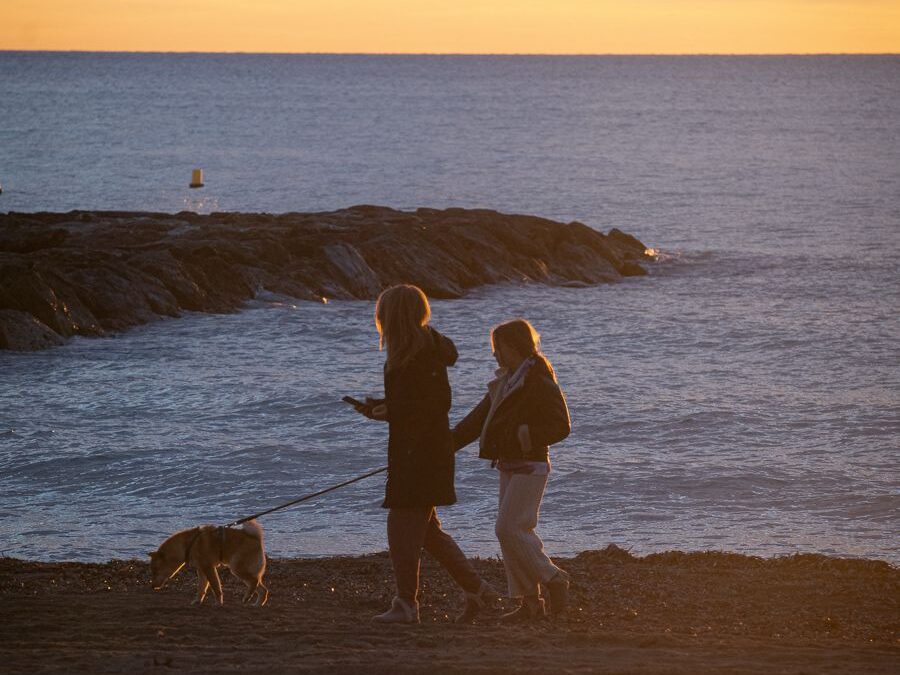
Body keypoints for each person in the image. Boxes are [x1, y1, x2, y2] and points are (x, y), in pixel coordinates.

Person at [354, 284, 498, 624]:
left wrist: (393, 410)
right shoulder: (412, 350)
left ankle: (406, 604)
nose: (380, 321)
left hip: (423, 455)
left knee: (401, 524)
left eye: (383, 315)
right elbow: (415, 405)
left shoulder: (423, 353)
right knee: (427, 531)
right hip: (414, 451)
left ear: (393, 316)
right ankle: (479, 591)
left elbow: (437, 404)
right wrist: (381, 407)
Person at [452, 318, 571, 621]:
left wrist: (527, 435)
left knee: (510, 529)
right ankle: (530, 604)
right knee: (511, 532)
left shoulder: (538, 380)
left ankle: (554, 579)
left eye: (498, 347)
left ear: (514, 346)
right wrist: (442, 446)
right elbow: (475, 423)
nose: (494, 354)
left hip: (532, 464)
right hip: (508, 464)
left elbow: (561, 426)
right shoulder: (504, 383)